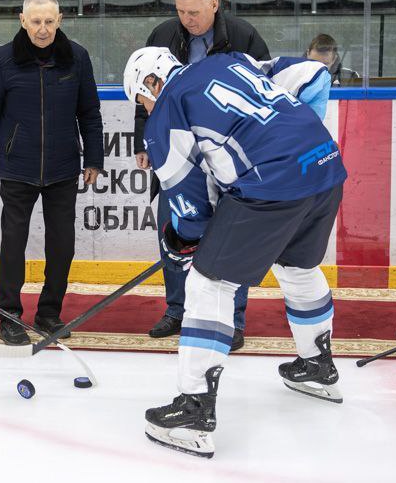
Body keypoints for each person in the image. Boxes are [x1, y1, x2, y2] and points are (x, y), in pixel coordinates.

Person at [125, 46, 346, 458]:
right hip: (325, 164)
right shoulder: (231, 61)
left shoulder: (166, 112)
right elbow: (313, 73)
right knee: (297, 267)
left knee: (209, 283)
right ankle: (318, 365)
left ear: (152, 82)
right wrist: (296, 138)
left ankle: (193, 411)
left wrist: (184, 240)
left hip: (274, 183)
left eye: (142, 99)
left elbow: (189, 201)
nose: (145, 108)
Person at [135, 0, 270, 348]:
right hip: (177, 156)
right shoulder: (164, 35)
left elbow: (264, 96)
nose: (187, 19)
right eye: (181, 11)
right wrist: (144, 141)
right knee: (174, 234)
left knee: (231, 242)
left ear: (214, 3)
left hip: (228, 159)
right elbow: (145, 94)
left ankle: (231, 319)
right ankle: (177, 310)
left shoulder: (243, 37)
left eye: (193, 12)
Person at [0, 0, 103, 345]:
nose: (42, 29)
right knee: (13, 243)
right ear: (22, 21)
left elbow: (89, 113)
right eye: (35, 22)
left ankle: (49, 313)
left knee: (62, 245)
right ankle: (9, 315)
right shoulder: (2, 59)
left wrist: (93, 159)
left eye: (48, 22)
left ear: (59, 20)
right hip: (18, 167)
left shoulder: (77, 57)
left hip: (63, 167)